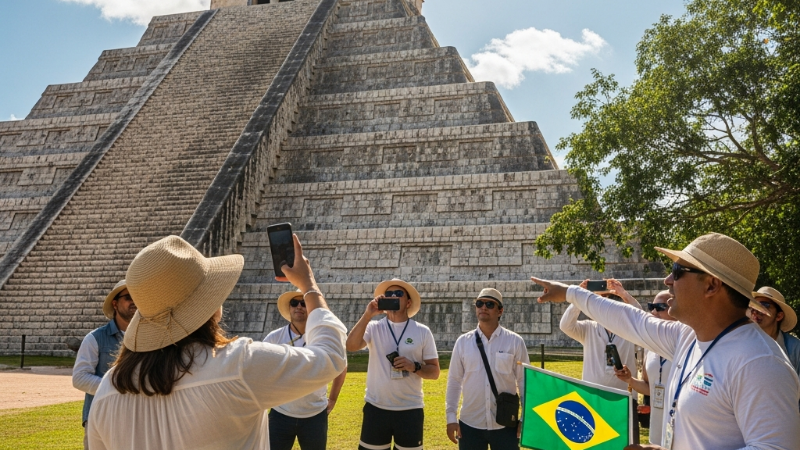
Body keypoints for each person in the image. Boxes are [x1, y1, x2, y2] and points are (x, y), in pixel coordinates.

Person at [532, 232, 800, 450]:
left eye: (677, 270)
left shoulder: (760, 363)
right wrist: (570, 293)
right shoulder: (688, 337)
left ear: (711, 286)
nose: (667, 280)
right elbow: (634, 321)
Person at [87, 234, 347, 450]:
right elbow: (330, 357)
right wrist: (308, 285)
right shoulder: (237, 364)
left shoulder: (109, 387)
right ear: (207, 305)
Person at [346, 278, 440, 450]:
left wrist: (414, 366)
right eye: (388, 294)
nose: (393, 297)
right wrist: (367, 315)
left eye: (398, 294)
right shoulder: (373, 327)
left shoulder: (422, 331)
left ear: (408, 302)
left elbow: (434, 372)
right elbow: (351, 346)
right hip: (376, 407)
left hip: (410, 409)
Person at [446, 288, 530, 450]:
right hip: (470, 423)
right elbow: (454, 381)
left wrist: (525, 418)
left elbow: (524, 382)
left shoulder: (514, 342)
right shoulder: (463, 342)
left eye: (489, 304)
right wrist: (451, 418)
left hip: (506, 425)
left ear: (500, 311)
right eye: (479, 303)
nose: (483, 307)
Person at [263, 289, 348, 450]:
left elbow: (342, 367)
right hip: (281, 412)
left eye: (304, 303)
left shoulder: (321, 338)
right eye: (294, 303)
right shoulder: (274, 338)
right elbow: (261, 370)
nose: (299, 307)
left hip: (314, 413)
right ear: (289, 308)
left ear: (311, 308)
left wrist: (333, 399)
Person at [72, 279, 135, 449]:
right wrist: (117, 388)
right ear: (115, 304)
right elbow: (79, 377)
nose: (134, 302)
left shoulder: (147, 338)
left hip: (135, 417)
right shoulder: (94, 338)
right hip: (100, 417)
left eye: (137, 297)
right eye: (128, 297)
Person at [613, 291, 676, 445]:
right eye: (651, 307)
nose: (653, 312)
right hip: (656, 427)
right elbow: (650, 388)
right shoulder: (650, 347)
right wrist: (629, 379)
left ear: (676, 309)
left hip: (679, 427)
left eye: (660, 307)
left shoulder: (685, 345)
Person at [559, 279, 640, 391]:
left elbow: (640, 316)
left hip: (623, 396)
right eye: (601, 303)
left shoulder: (629, 328)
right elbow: (565, 325)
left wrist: (623, 294)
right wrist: (578, 297)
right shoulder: (589, 328)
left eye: (610, 302)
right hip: (593, 397)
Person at [748, 286, 800, 376]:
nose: (755, 311)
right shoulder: (743, 344)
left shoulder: (795, 349)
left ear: (779, 316)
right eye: (753, 305)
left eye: (764, 305)